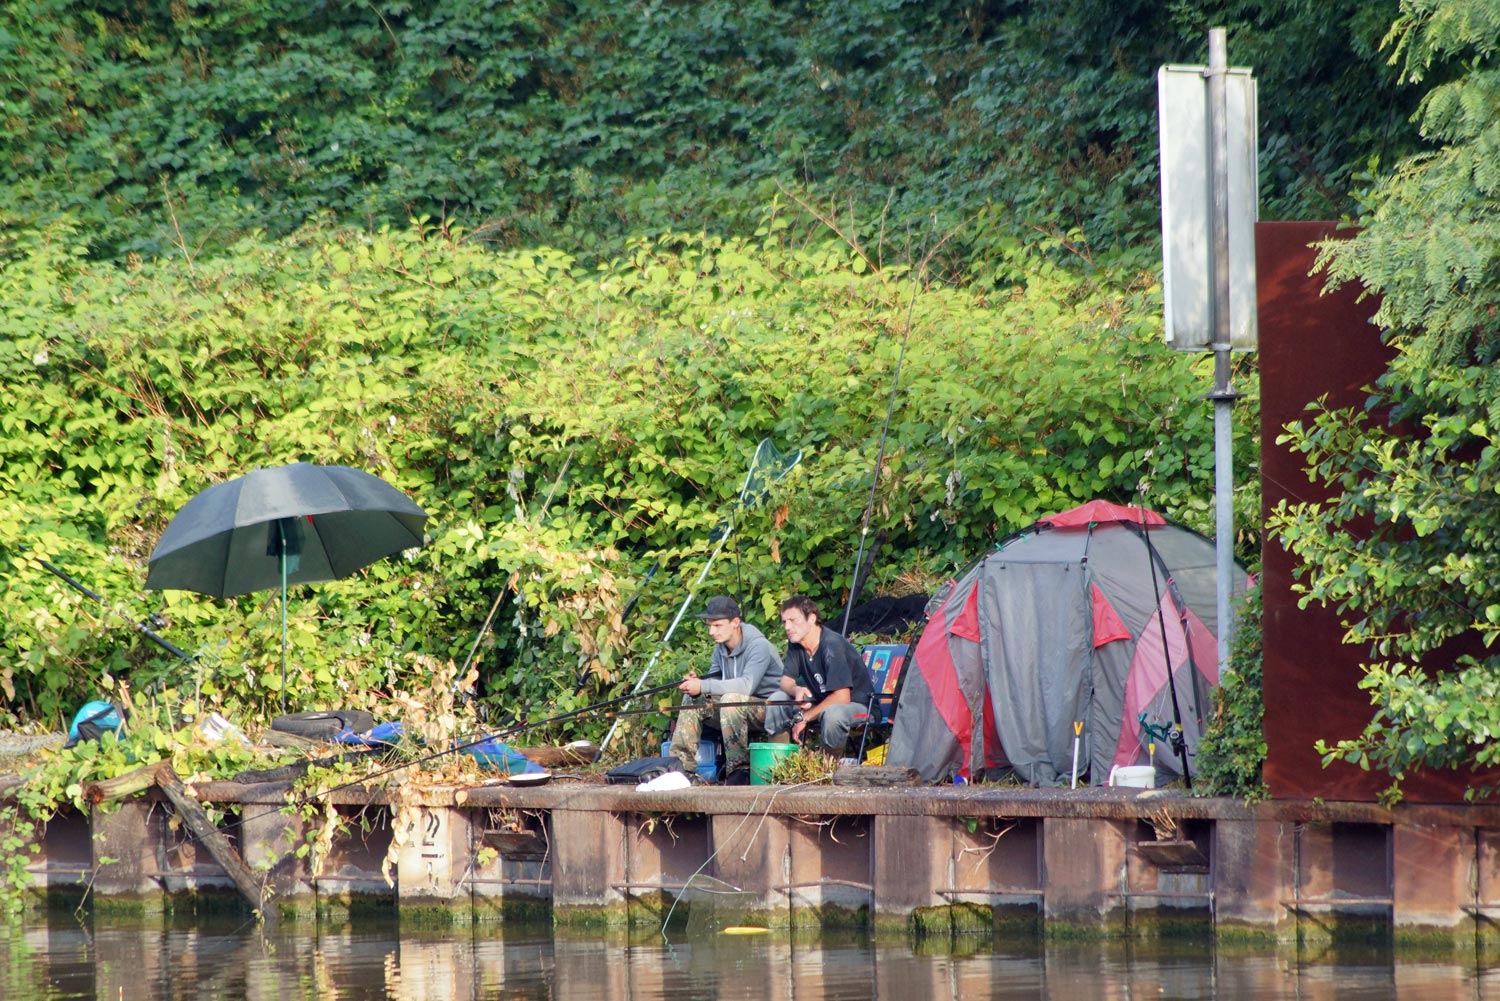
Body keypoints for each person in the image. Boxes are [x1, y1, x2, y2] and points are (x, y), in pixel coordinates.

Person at [668, 594, 783, 784]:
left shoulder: (759, 646)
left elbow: (747, 685)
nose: (712, 631)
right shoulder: (720, 648)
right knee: (693, 699)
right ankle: (680, 767)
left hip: (769, 709)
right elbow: (714, 678)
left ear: (735, 622)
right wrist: (696, 683)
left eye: (717, 625)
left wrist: (704, 685)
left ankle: (739, 771)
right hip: (735, 708)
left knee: (731, 700)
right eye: (709, 626)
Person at [765, 595, 875, 758]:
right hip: (821, 702)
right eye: (784, 622)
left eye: (793, 620)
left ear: (812, 619)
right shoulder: (796, 644)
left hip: (860, 707)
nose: (787, 627)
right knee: (778, 699)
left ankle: (825, 769)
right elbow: (785, 681)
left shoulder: (832, 646)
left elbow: (842, 697)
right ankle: (778, 764)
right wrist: (796, 690)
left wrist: (805, 717)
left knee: (833, 714)